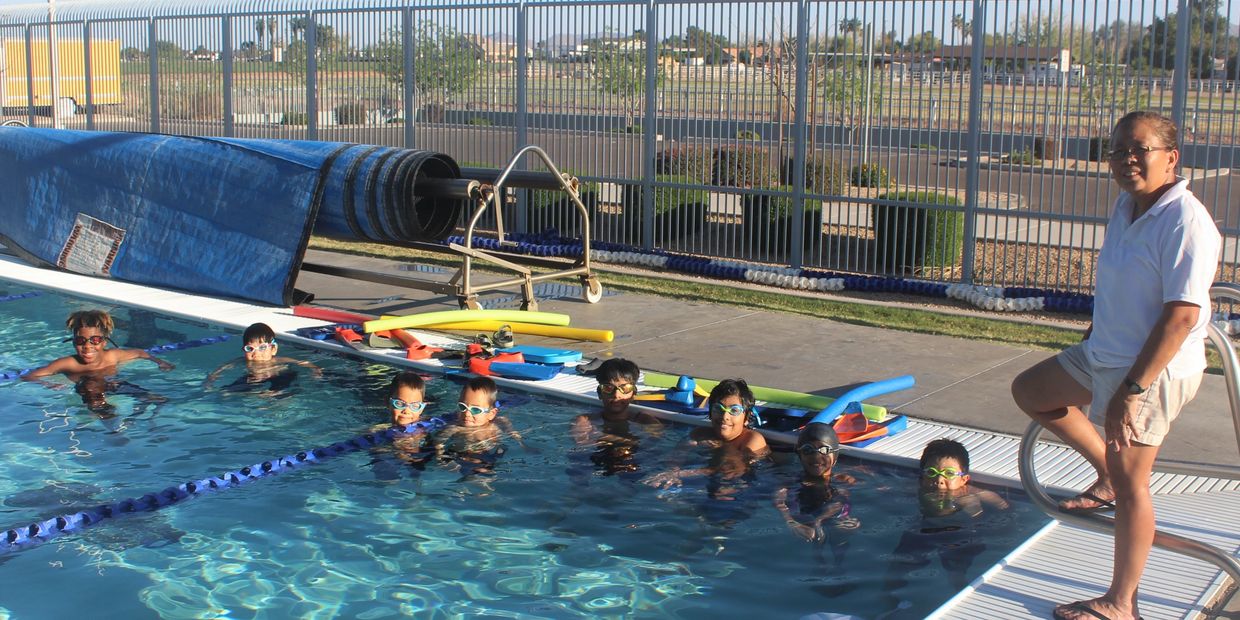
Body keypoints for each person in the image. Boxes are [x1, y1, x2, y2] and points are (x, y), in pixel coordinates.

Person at [1011, 111, 1220, 620]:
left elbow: (1181, 317)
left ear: (1170, 157)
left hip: (1151, 369)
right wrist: (1095, 333)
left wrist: (1132, 387)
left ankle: (1121, 603)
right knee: (1032, 391)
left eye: (1140, 149)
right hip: (1105, 352)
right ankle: (1105, 472)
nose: (1127, 159)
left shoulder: (1185, 221)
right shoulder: (1127, 206)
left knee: (1133, 486)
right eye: (1118, 149)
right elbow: (1123, 286)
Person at [642, 378, 770, 493]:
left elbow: (735, 471)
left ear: (746, 417)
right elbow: (678, 452)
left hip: (741, 488)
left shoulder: (752, 440)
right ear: (710, 413)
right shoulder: (701, 433)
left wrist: (682, 473)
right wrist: (672, 471)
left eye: (734, 411)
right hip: (709, 480)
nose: (725, 416)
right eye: (718, 409)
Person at [23, 309, 175, 383]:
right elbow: (29, 376)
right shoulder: (68, 364)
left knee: (152, 398)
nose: (87, 346)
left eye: (94, 340)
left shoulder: (112, 356)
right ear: (74, 342)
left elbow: (140, 353)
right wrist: (48, 384)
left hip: (112, 384)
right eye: (81, 341)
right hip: (87, 388)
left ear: (104, 341)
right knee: (93, 393)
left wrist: (160, 362)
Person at [570, 358, 662, 476]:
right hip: (594, 459)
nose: (617, 395)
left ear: (633, 394)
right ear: (599, 393)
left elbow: (654, 444)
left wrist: (606, 438)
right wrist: (627, 441)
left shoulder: (646, 421)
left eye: (625, 388)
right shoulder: (584, 420)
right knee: (577, 464)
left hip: (632, 461)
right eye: (608, 388)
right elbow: (581, 442)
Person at [773, 423, 860, 544]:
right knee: (813, 535)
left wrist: (821, 520)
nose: (816, 456)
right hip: (803, 517)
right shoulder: (790, 482)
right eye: (808, 449)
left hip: (836, 518)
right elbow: (779, 501)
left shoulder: (844, 480)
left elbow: (843, 500)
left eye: (824, 450)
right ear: (799, 455)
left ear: (835, 456)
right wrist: (791, 522)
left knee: (843, 529)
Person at [433, 376, 524, 478]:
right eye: (462, 407)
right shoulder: (456, 427)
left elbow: (508, 426)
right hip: (463, 455)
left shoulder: (498, 422)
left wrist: (519, 441)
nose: (467, 413)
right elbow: (439, 441)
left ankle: (480, 483)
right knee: (471, 471)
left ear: (491, 414)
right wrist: (440, 456)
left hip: (489, 452)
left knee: (489, 471)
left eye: (475, 410)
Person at [203, 323, 321, 394]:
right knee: (226, 392)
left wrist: (315, 369)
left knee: (278, 392)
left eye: (262, 347)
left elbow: (302, 362)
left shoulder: (278, 360)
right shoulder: (242, 361)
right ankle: (256, 393)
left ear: (273, 349)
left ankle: (275, 395)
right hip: (254, 378)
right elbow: (224, 367)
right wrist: (212, 377)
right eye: (250, 349)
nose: (256, 353)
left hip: (280, 376)